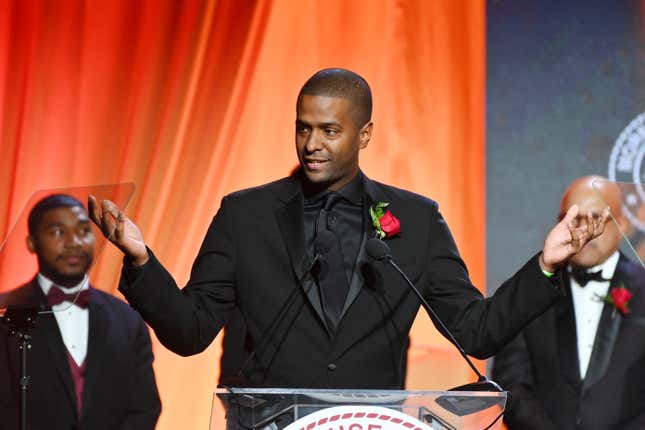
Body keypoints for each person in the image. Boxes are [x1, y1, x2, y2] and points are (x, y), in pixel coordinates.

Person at [89, 68, 607, 390]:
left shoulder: (416, 220)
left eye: (330, 131)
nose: (312, 143)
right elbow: (189, 333)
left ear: (365, 135)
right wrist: (140, 263)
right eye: (303, 127)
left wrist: (546, 266)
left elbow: (477, 329)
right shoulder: (244, 215)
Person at [492, 176, 645, 430]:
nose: (585, 230)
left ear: (623, 223)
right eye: (574, 219)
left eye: (596, 218)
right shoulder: (530, 292)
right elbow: (511, 384)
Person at [0, 194, 161, 430]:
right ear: (32, 242)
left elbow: (144, 408)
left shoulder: (127, 320)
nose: (73, 241)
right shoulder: (6, 314)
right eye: (57, 232)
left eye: (83, 231)